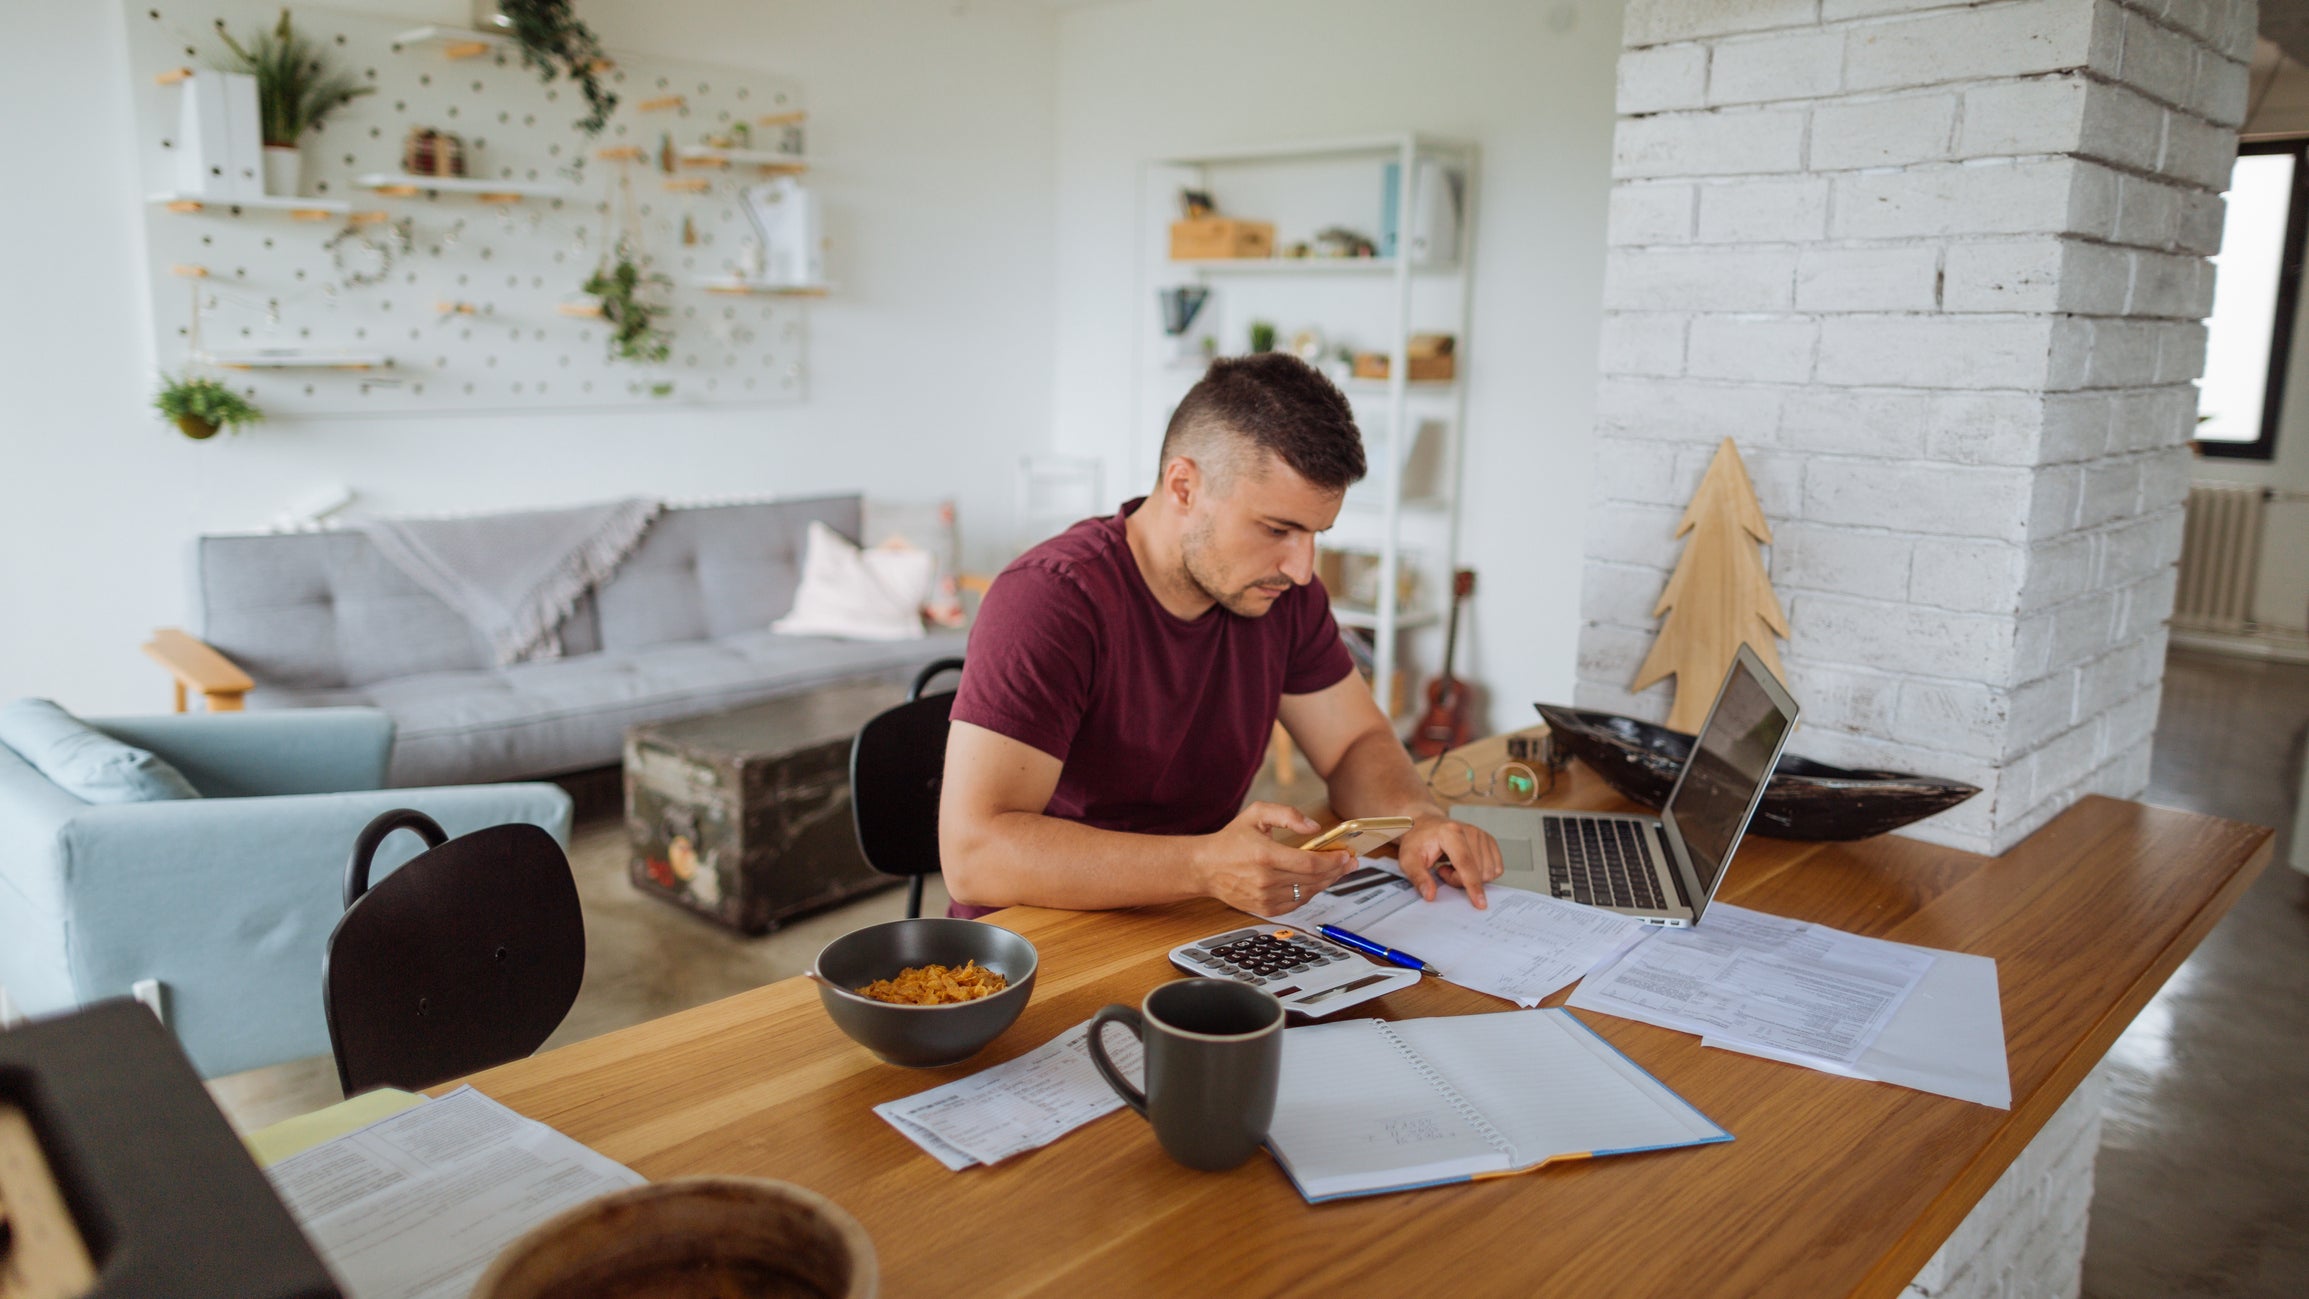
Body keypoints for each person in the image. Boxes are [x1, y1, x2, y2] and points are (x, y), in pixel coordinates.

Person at [938, 352, 1504, 919]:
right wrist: (1204, 865)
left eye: (1316, 534)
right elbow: (974, 856)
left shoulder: (1284, 595)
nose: (1302, 569)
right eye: (1277, 529)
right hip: (1044, 941)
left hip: (1197, 917)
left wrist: (1418, 818)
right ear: (1183, 486)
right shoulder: (1051, 601)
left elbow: (1355, 742)